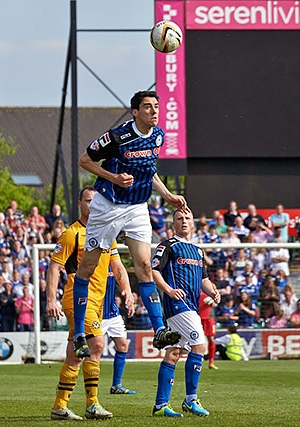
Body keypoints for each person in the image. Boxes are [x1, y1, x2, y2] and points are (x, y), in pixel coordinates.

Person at [71, 90, 186, 358]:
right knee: (87, 268)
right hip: (108, 206)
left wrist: (167, 195)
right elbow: (84, 160)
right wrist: (113, 177)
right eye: (148, 107)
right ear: (135, 112)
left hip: (137, 207)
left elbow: (149, 170)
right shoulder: (117, 136)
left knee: (145, 265)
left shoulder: (158, 136)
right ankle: (78, 333)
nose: (154, 111)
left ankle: (159, 330)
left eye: (156, 106)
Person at [46, 187, 132, 421]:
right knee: (96, 345)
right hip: (77, 299)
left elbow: (117, 265)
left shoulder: (107, 232)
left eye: (96, 202)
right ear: (80, 205)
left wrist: (127, 289)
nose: (92, 205)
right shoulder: (71, 233)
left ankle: (60, 407)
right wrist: (50, 298)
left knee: (75, 355)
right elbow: (54, 266)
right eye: (87, 201)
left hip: (97, 301)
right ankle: (92, 404)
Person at [150, 208, 221, 417]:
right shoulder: (168, 246)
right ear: (173, 224)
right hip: (178, 305)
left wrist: (214, 292)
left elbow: (203, 280)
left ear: (193, 223)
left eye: (187, 218)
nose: (183, 221)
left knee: (173, 354)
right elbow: (154, 271)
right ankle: (190, 400)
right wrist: (169, 290)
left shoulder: (198, 251)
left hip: (191, 306)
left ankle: (160, 405)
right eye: (179, 219)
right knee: (200, 346)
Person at [102, 266, 136, 395]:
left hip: (112, 312)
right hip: (96, 313)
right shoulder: (92, 260)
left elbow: (123, 280)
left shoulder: (113, 263)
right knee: (89, 351)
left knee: (123, 345)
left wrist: (129, 300)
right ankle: (66, 382)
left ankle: (116, 385)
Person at [198, 290, 219, 370]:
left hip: (208, 318)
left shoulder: (209, 287)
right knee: (194, 340)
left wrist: (211, 301)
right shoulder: (194, 287)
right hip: (197, 317)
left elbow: (215, 304)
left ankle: (211, 362)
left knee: (211, 339)